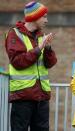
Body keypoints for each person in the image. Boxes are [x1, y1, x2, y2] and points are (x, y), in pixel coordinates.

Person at [5, 1, 57, 131]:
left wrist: (48, 48)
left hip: (42, 97)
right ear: (34, 17)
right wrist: (39, 48)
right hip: (23, 97)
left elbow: (50, 63)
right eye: (44, 16)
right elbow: (17, 62)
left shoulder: (41, 36)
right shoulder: (14, 34)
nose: (47, 20)